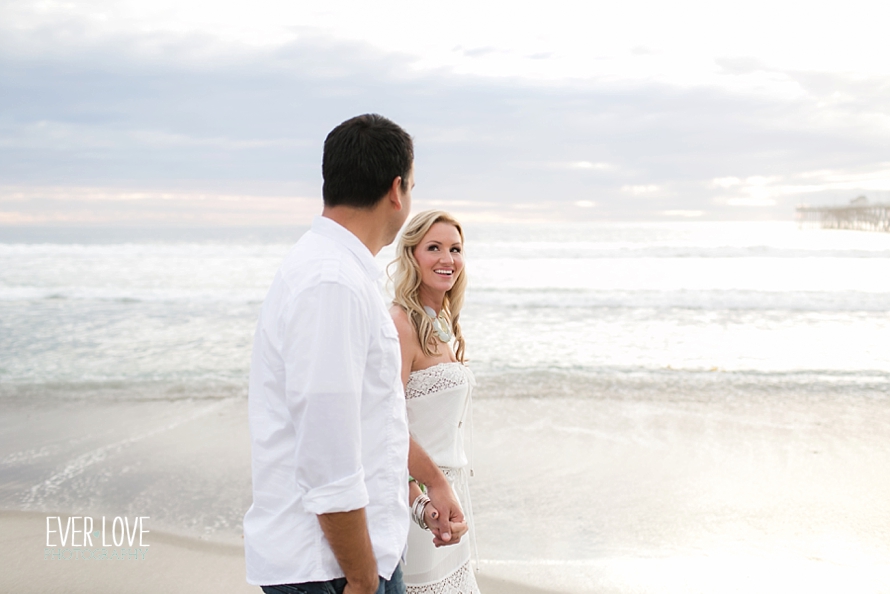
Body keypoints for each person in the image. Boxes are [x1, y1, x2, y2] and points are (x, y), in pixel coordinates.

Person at [243, 115, 464, 594]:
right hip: (328, 569)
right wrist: (364, 582)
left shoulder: (339, 271)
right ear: (396, 190)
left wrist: (432, 484)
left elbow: (376, 419)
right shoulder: (331, 282)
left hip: (359, 556)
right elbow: (327, 452)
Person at [390, 210, 481, 594]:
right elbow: (386, 426)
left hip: (450, 494)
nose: (448, 259)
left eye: (455, 249)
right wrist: (422, 505)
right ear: (412, 256)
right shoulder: (400, 323)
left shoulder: (443, 323)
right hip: (421, 500)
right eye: (434, 248)